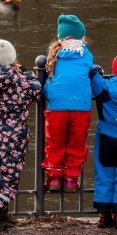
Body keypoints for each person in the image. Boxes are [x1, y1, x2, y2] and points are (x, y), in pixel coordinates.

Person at [0, 39, 41, 231]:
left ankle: (1, 214)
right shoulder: (19, 79)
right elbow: (36, 91)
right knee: (8, 171)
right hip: (11, 130)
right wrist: (25, 72)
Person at [41, 15, 93, 193]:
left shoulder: (54, 53)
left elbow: (49, 78)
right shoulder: (85, 53)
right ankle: (71, 179)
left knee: (54, 142)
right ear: (81, 37)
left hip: (57, 107)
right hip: (81, 107)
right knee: (76, 144)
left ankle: (54, 178)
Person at [89, 57, 117, 228]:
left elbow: (93, 75)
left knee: (104, 173)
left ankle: (104, 215)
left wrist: (97, 71)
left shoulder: (105, 87)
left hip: (107, 134)